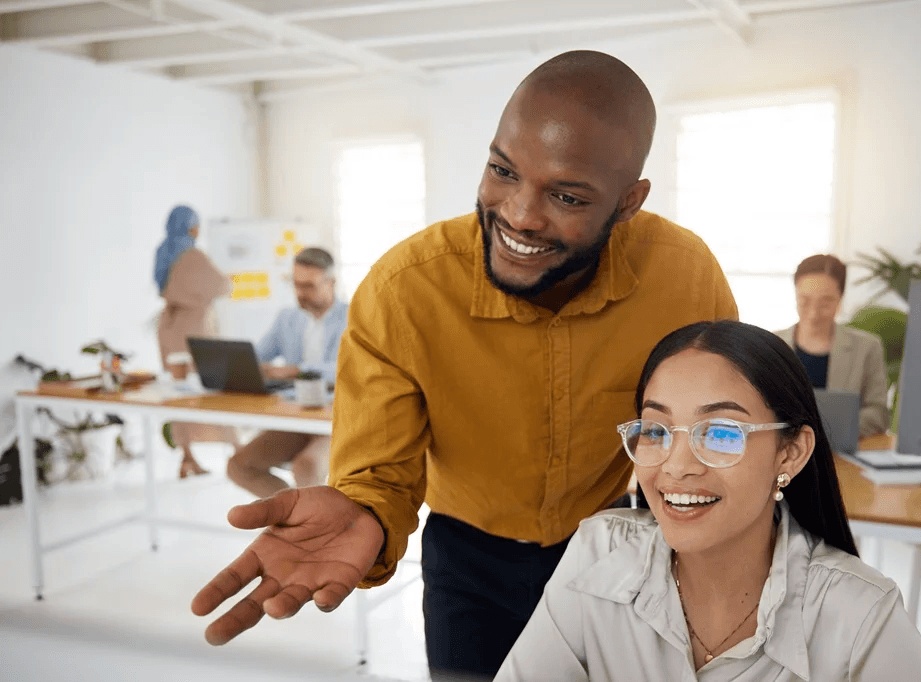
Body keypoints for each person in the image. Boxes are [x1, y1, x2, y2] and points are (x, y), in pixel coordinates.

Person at [191, 50, 737, 678]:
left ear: (627, 202)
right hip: (466, 561)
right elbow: (381, 474)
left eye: (566, 195)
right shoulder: (404, 290)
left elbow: (716, 433)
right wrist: (364, 511)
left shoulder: (685, 277)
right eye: (503, 170)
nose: (521, 214)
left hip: (612, 547)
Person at [496, 320, 921, 680]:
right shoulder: (597, 553)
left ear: (790, 452)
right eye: (656, 430)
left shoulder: (860, 613)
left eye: (722, 433)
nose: (676, 466)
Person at [225, 247, 348, 498]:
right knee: (238, 466)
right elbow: (258, 355)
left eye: (309, 286)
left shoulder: (353, 317)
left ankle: (309, 527)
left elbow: (348, 370)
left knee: (307, 467)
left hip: (335, 419)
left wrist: (296, 371)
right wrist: (243, 366)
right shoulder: (288, 318)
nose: (301, 293)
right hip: (296, 416)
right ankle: (295, 516)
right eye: (296, 285)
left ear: (331, 282)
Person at [154, 205, 238, 478]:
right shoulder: (193, 256)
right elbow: (222, 286)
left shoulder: (163, 253)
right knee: (215, 390)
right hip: (195, 331)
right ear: (192, 227)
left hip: (169, 328)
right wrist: (230, 280)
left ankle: (187, 458)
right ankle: (239, 450)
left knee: (179, 395)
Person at [775, 254, 889, 437]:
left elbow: (878, 412)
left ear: (840, 299)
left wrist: (836, 430)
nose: (813, 313)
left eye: (825, 302)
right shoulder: (772, 345)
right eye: (804, 301)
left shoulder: (867, 347)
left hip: (841, 451)